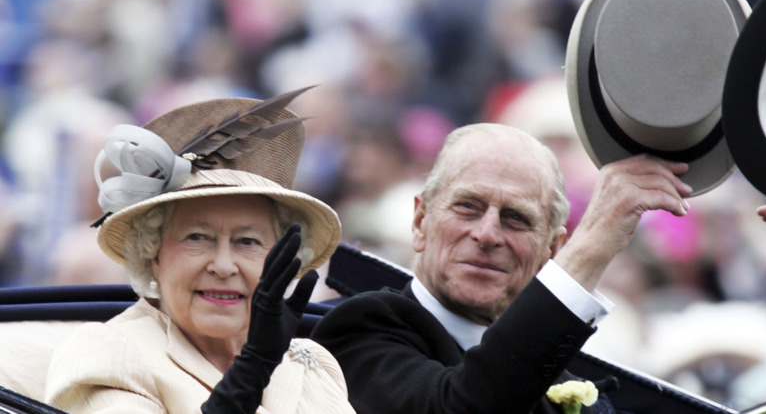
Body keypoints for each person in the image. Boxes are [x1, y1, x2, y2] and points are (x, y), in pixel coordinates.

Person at [311, 122, 691, 413]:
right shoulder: (356, 330)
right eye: (468, 207)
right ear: (420, 222)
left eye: (516, 218)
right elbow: (464, 406)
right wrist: (592, 246)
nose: (488, 234)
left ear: (551, 250)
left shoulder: (566, 385)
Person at [44, 88, 356, 413]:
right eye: (197, 237)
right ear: (153, 253)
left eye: (247, 241)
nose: (223, 266)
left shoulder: (312, 363)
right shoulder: (106, 351)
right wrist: (253, 368)